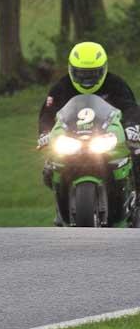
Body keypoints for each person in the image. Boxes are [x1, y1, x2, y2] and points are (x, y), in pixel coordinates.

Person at [37, 42, 140, 221]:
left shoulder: (116, 84)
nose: (86, 79)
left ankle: (137, 202)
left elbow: (131, 108)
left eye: (93, 73)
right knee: (50, 163)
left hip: (105, 134)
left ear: (103, 69)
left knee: (137, 152)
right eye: (81, 73)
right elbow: (47, 114)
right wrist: (44, 134)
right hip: (72, 136)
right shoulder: (61, 87)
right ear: (71, 69)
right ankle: (61, 207)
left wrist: (132, 127)